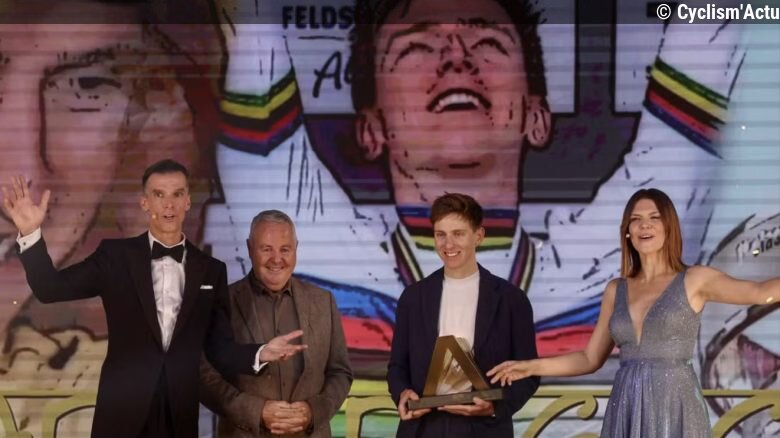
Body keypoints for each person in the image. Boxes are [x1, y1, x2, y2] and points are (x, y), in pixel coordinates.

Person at [204, 0, 743, 375]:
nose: (456, 58)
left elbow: (707, 36)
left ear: (537, 116)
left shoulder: (613, 268)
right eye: (416, 48)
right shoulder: (317, 257)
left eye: (487, 43)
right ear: (371, 128)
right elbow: (253, 29)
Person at [0, 160, 307, 438]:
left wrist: (260, 353)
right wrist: (31, 233)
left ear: (188, 201)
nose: (169, 204)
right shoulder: (114, 257)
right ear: (145, 203)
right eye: (159, 195)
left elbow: (219, 349)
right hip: (120, 414)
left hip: (179, 418)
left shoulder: (211, 270)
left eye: (177, 194)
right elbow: (50, 288)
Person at [487, 188, 779, 437]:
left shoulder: (695, 279)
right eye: (636, 219)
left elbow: (759, 292)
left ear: (669, 227)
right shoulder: (616, 290)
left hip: (676, 406)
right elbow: (589, 359)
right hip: (626, 406)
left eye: (654, 218)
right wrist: (530, 367)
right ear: (627, 231)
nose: (644, 225)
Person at [387, 193, 538, 438]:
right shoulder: (412, 298)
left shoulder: (512, 300)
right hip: (422, 429)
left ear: (478, 236)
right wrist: (402, 393)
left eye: (458, 234)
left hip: (485, 431)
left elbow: (528, 374)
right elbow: (397, 367)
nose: (448, 245)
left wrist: (495, 407)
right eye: (441, 234)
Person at [200, 209, 353, 437]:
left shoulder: (324, 301)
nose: (276, 259)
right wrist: (257, 411)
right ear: (250, 248)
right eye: (266, 249)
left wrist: (313, 411)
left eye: (285, 249)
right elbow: (204, 376)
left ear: (296, 249)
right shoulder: (221, 302)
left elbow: (340, 372)